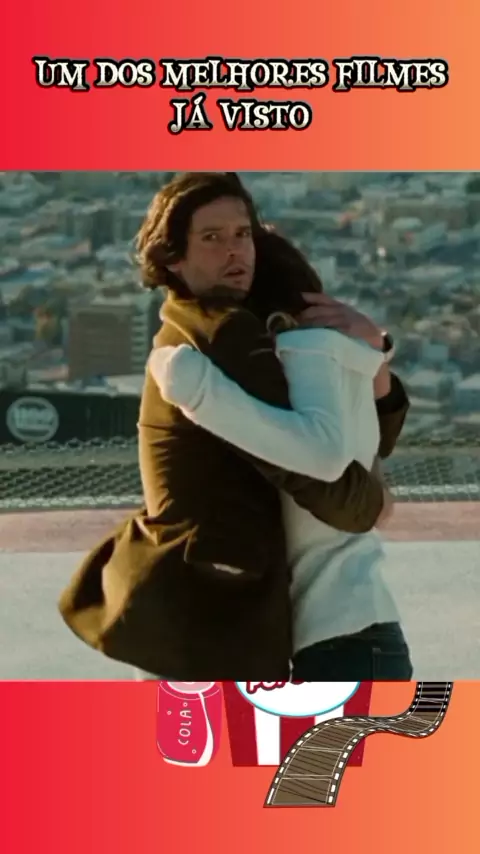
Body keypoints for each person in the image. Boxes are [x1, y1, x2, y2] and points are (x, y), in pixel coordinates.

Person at [58, 172, 409, 680]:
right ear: (173, 258)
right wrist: (376, 501)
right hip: (208, 618)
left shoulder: (184, 330)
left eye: (243, 235)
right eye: (212, 237)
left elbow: (347, 443)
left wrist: (375, 354)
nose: (235, 252)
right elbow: (322, 473)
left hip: (194, 615)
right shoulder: (222, 335)